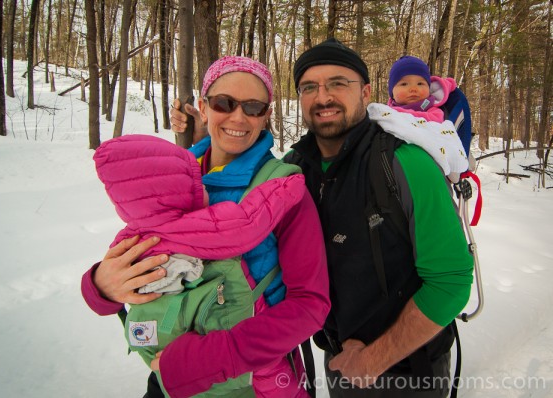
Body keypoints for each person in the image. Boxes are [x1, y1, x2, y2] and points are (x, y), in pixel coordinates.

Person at [171, 39, 474, 397]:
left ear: (365, 92)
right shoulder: (294, 168)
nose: (323, 96)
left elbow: (451, 280)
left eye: (338, 83)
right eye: (309, 87)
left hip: (410, 369)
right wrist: (205, 136)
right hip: (337, 360)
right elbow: (228, 207)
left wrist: (374, 359)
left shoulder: (405, 163)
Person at [82, 55, 330, 398]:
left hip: (252, 381)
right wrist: (100, 285)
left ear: (267, 114)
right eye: (223, 103)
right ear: (203, 106)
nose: (238, 117)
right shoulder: (174, 175)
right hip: (168, 378)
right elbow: (140, 247)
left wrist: (207, 360)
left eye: (253, 107)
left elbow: (310, 305)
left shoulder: (282, 188)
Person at [92, 133, 307, 296]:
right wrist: (287, 187)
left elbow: (111, 263)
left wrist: (97, 285)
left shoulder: (131, 233)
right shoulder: (187, 226)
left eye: (253, 107)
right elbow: (245, 224)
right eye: (196, 185)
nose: (203, 185)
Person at [366, 55, 469, 183]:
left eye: (420, 83)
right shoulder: (387, 113)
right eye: (404, 84)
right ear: (392, 91)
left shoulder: (435, 111)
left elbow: (441, 133)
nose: (413, 88)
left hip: (431, 170)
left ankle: (451, 163)